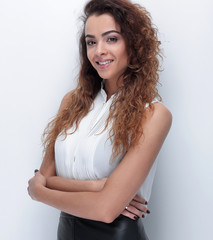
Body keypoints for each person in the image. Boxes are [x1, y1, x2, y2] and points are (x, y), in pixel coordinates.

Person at [28, 0, 172, 239]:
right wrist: (97, 186)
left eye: (111, 39)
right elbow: (44, 176)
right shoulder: (71, 102)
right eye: (91, 42)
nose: (99, 51)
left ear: (133, 44)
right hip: (66, 232)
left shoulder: (153, 114)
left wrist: (39, 192)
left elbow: (106, 210)